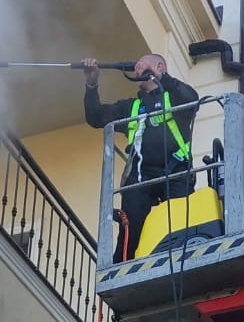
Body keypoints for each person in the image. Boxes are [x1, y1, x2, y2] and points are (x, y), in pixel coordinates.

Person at [83, 53, 199, 259]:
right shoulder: (131, 107)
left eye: (142, 64)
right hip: (140, 176)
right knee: (130, 232)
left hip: (177, 171)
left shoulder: (174, 97)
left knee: (181, 226)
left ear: (159, 66)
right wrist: (91, 84)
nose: (137, 68)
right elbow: (95, 116)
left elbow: (193, 100)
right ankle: (121, 272)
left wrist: (162, 78)